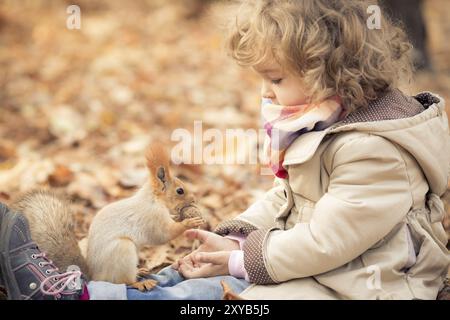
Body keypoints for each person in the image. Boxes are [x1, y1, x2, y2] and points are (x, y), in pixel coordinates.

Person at [0, 0, 449, 300]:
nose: (266, 94)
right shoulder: (330, 124)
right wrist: (237, 236)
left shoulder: (374, 152)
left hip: (365, 287)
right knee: (199, 276)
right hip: (326, 269)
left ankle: (77, 296)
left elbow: (327, 239)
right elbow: (288, 198)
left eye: (275, 80)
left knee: (221, 300)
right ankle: (150, 284)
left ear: (329, 74)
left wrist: (242, 260)